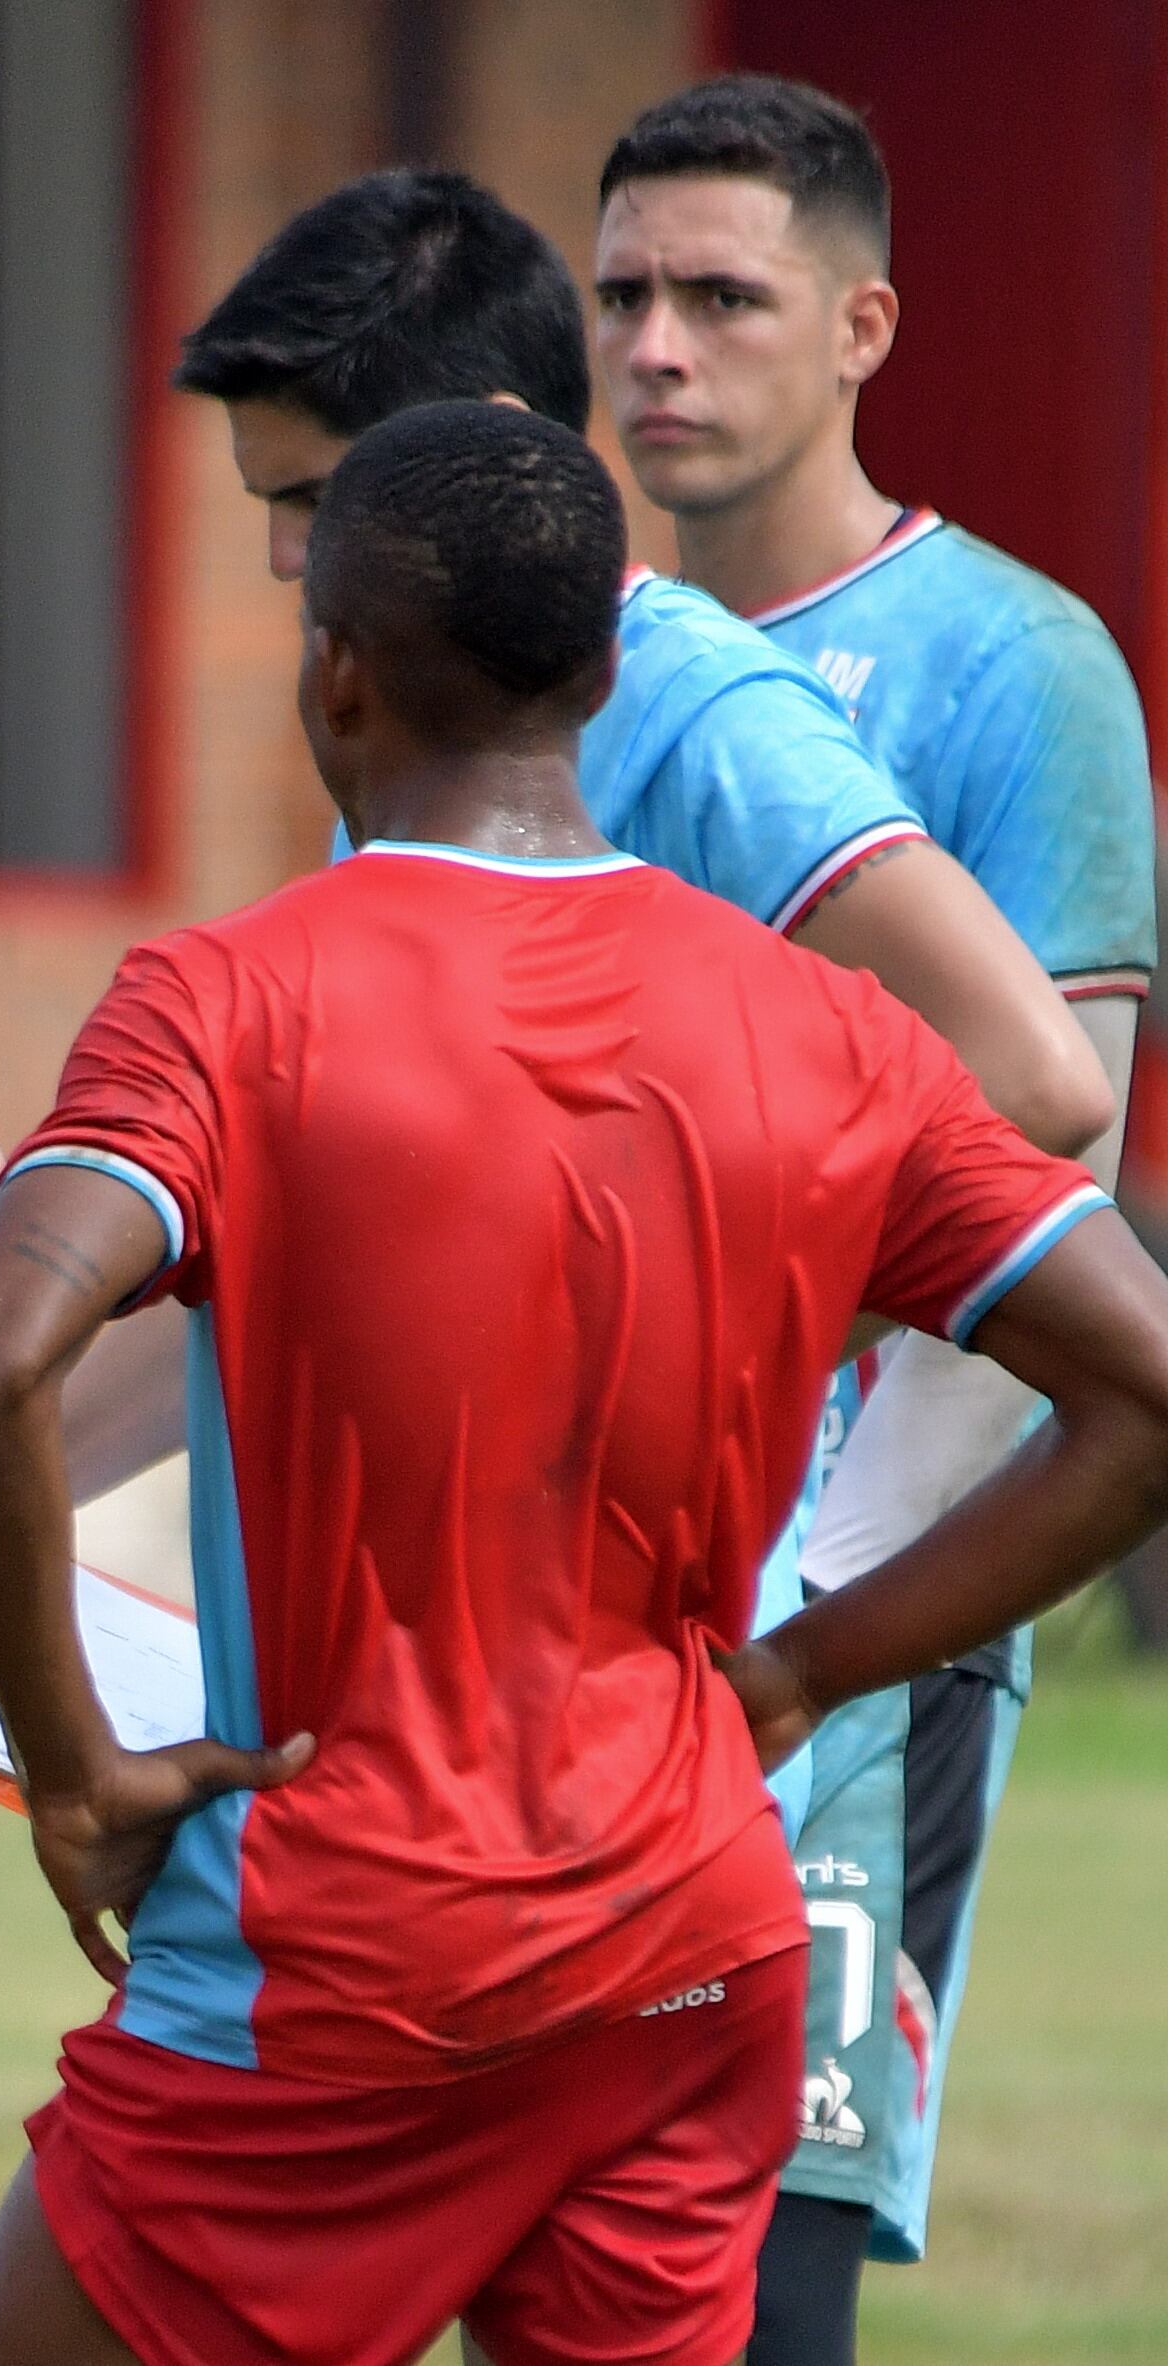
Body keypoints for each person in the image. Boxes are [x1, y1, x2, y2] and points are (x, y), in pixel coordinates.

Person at [0, 397, 1168, 2366]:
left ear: (334, 676)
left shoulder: (228, 999)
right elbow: (1146, 1390)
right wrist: (807, 1672)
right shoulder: (821, 1028)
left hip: (345, 1967)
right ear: (604, 667)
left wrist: (75, 1781)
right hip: (685, 1967)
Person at [0, 165, 1112, 1695]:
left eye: (312, 498)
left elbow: (1035, 1076)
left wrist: (673, 1352)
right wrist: (3, 1487)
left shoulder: (687, 704)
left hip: (706, 1661)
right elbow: (286, 1275)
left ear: (491, 452)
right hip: (430, 1699)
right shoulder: (413, 733)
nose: (286, 560)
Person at [597, 76, 1159, 2356]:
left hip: (836, 1636)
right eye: (622, 293)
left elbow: (1058, 1191)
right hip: (548, 1618)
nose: (655, 347)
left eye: (720, 298)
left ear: (859, 328)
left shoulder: (1003, 667)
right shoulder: (569, 647)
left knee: (752, 2284)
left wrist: (825, 1621)